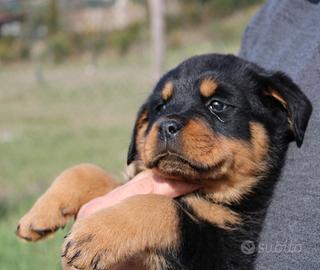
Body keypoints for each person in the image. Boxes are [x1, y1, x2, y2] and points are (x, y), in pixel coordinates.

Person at [78, 0, 320, 268]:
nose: (171, 122)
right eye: (162, 107)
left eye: (217, 106)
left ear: (281, 110)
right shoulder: (274, 17)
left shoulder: (225, 224)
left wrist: (144, 217)